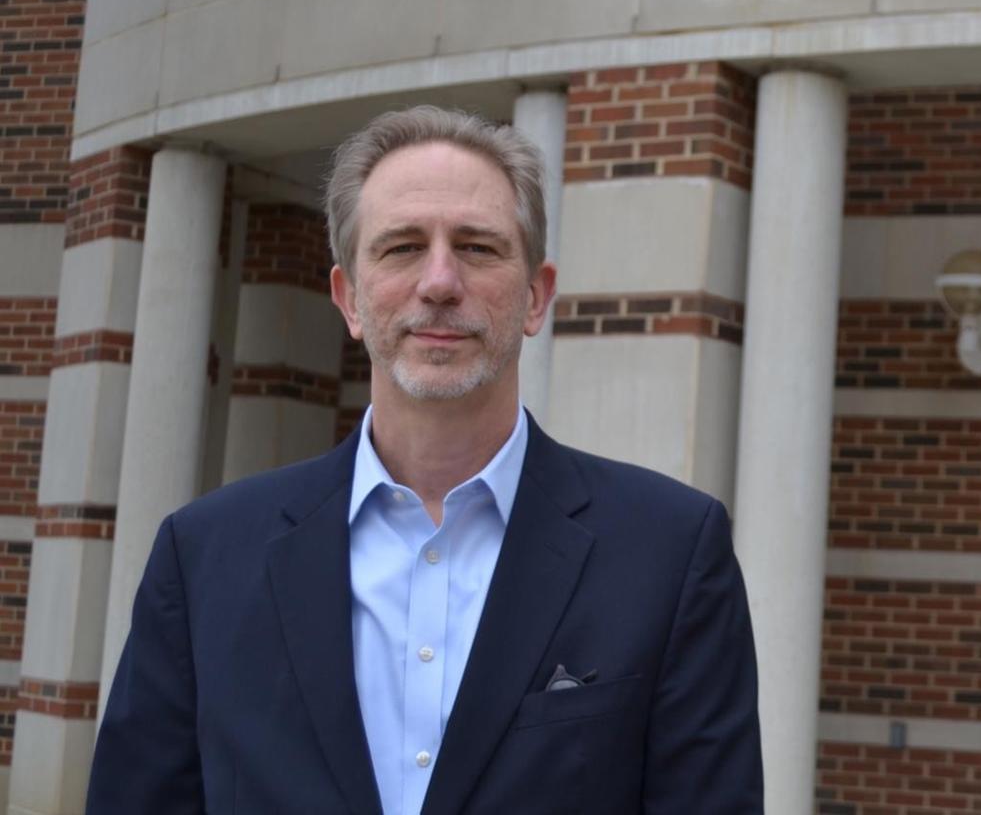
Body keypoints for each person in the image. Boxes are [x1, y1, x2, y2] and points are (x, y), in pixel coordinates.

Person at [88, 106, 762, 814]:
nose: (440, 282)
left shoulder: (671, 553)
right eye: (402, 247)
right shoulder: (203, 560)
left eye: (476, 248)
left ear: (536, 296)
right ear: (348, 299)